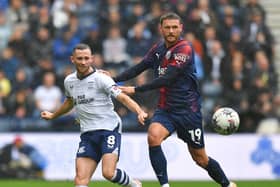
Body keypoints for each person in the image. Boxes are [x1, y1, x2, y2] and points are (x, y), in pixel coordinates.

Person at [109, 12, 237, 187]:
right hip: (166, 110)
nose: (171, 31)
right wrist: (112, 79)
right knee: (153, 136)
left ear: (181, 28)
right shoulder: (158, 49)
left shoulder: (184, 49)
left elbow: (167, 79)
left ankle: (227, 184)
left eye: (174, 27)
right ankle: (165, 185)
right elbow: (139, 68)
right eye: (167, 27)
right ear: (161, 29)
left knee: (200, 159)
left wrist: (135, 89)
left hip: (188, 112)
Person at [41, 43, 146, 187]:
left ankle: (134, 184)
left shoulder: (101, 78)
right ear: (72, 59)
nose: (83, 62)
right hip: (88, 133)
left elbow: (122, 97)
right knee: (80, 180)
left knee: (108, 173)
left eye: (86, 58)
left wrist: (139, 111)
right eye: (79, 59)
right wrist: (53, 115)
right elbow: (69, 102)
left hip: (109, 129)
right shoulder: (69, 81)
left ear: (92, 59)